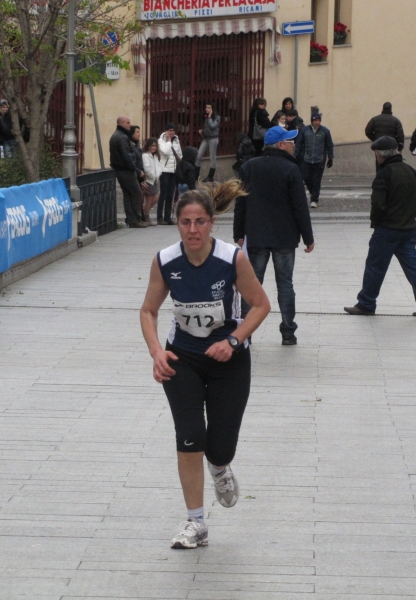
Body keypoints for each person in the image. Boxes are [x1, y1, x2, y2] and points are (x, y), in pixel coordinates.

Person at [139, 181, 271, 550]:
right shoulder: (165, 261)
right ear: (177, 224)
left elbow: (260, 305)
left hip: (229, 360)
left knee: (220, 446)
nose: (192, 230)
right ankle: (195, 522)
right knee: (190, 437)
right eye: (185, 222)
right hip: (182, 358)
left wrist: (233, 340)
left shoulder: (232, 259)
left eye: (199, 222)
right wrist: (156, 352)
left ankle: (221, 468)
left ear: (212, 223)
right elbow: (148, 311)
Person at [234, 126, 315, 346]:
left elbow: (240, 202)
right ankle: (288, 332)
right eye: (291, 141)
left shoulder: (249, 167)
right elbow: (300, 207)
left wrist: (238, 233)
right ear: (280, 145)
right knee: (285, 285)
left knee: (251, 285)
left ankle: (245, 332)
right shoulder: (291, 169)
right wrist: (308, 237)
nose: (294, 145)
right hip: (285, 238)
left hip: (257, 236)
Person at [344, 136, 416, 317]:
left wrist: (377, 221)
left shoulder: (384, 174)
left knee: (375, 266)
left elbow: (378, 205)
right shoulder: (411, 171)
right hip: (409, 229)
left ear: (380, 154)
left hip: (387, 229)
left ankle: (366, 303)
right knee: (414, 266)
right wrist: (410, 215)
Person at [110, 115, 147, 229]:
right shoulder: (122, 137)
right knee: (136, 193)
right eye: (127, 123)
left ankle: (131, 219)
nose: (129, 125)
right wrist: (136, 170)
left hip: (120, 170)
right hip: (126, 170)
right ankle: (135, 219)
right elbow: (126, 156)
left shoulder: (116, 136)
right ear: (121, 124)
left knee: (128, 194)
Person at [297, 113, 334, 209]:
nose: (317, 122)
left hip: (319, 159)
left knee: (316, 180)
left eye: (318, 120)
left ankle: (314, 199)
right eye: (315, 120)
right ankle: (313, 192)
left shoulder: (325, 131)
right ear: (311, 121)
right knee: (306, 177)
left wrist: (330, 157)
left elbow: (329, 145)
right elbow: (299, 143)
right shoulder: (305, 130)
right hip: (306, 159)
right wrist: (296, 155)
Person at [365, 102, 405, 171]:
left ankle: (380, 179)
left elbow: (367, 131)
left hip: (379, 147)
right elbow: (400, 135)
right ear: (391, 109)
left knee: (379, 165)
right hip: (391, 147)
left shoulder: (374, 119)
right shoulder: (396, 120)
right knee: (391, 164)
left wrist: (375, 140)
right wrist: (400, 147)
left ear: (383, 108)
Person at [158, 123, 183, 225]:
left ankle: (168, 217)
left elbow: (179, 154)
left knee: (170, 195)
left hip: (173, 170)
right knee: (163, 194)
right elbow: (166, 152)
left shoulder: (176, 140)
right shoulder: (161, 140)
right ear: (166, 131)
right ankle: (160, 217)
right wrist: (168, 141)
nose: (172, 132)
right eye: (170, 130)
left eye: (173, 130)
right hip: (164, 170)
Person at [196, 103, 220, 183]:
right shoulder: (206, 117)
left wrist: (209, 117)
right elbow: (207, 127)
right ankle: (196, 176)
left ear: (212, 109)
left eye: (209, 107)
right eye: (206, 107)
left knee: (212, 157)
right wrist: (202, 131)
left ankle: (210, 176)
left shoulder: (217, 117)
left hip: (213, 139)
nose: (207, 109)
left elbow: (213, 126)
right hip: (206, 138)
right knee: (199, 155)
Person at [142, 137, 161, 225]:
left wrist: (158, 175)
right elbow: (147, 168)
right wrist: (153, 176)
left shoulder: (155, 156)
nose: (154, 147)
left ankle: (145, 212)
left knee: (156, 198)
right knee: (149, 199)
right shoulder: (145, 155)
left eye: (155, 146)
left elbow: (158, 166)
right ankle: (146, 216)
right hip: (149, 180)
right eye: (152, 146)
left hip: (155, 180)